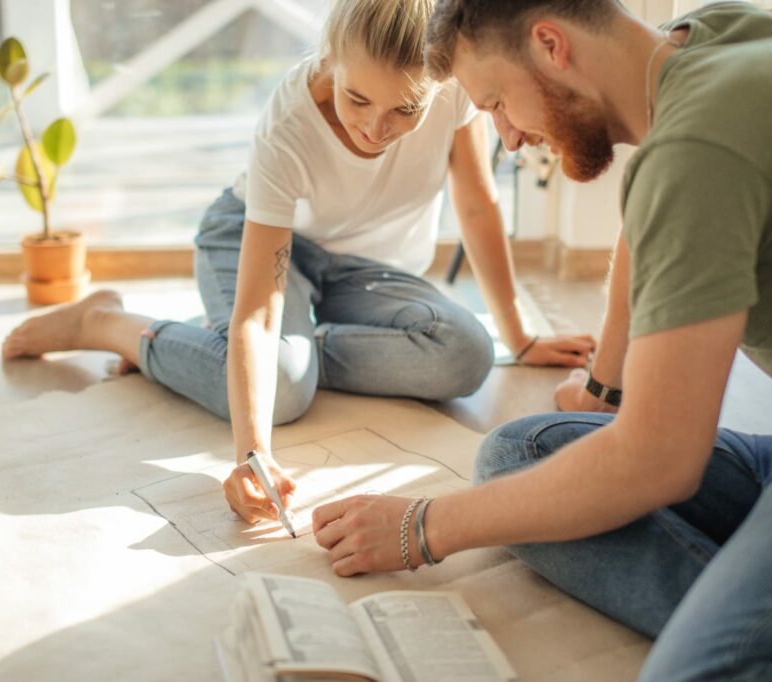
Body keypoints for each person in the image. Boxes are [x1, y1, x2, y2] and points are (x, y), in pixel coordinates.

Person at [312, 2, 772, 679]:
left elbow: (659, 459)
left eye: (497, 102)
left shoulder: (694, 150)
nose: (512, 138)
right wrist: (601, 388)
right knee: (518, 456)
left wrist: (421, 528)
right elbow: (647, 228)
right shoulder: (712, 37)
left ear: (551, 44)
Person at [2, 0, 594, 525]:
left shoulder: (456, 90)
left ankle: (283, 347)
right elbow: (259, 313)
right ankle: (106, 323)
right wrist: (251, 453)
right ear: (331, 58)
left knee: (466, 354)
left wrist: (517, 335)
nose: (374, 126)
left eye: (404, 110)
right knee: (282, 391)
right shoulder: (288, 124)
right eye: (357, 97)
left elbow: (477, 202)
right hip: (253, 238)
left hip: (360, 268)